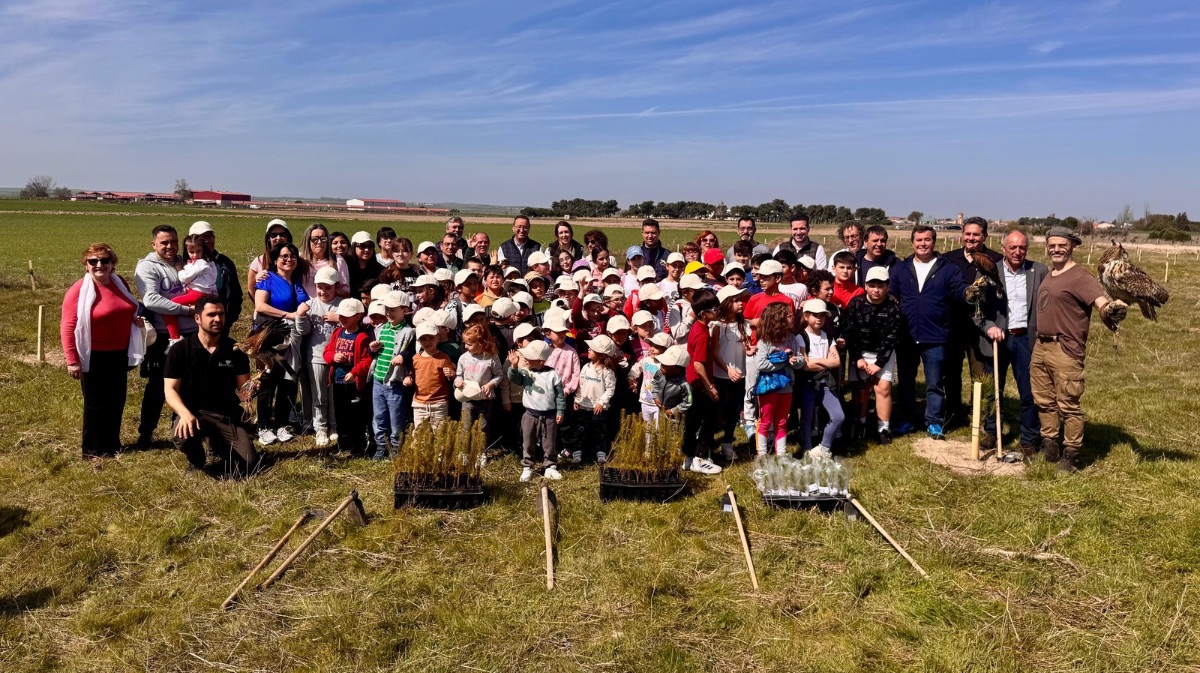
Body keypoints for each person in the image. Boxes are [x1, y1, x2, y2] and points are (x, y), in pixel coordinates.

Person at [1030, 227, 1126, 472]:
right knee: (1044, 402)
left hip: (1065, 348)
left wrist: (1111, 310)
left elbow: (1101, 304)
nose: (1056, 249)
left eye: (1062, 245)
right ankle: (1049, 446)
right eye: (1052, 245)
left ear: (1072, 246)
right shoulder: (1050, 274)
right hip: (1041, 346)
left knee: (1068, 404)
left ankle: (1072, 454)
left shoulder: (1081, 277)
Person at [61, 242, 145, 459]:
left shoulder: (119, 283)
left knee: (116, 401)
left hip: (119, 354)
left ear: (112, 263)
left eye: (104, 260)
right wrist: (72, 360)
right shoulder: (79, 290)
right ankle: (92, 450)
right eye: (93, 261)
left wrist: (136, 321)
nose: (99, 265)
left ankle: (112, 445)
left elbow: (126, 308)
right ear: (86, 265)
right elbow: (68, 326)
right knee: (95, 405)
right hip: (93, 355)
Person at [163, 296, 258, 477]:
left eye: (221, 314)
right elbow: (170, 390)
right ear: (197, 318)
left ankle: (217, 443)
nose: (218, 319)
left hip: (225, 414)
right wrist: (184, 414)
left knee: (248, 462)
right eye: (211, 314)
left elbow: (244, 389)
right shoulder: (180, 350)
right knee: (183, 436)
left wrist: (257, 385)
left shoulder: (235, 349)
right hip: (193, 412)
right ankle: (196, 458)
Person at [891, 224, 969, 440]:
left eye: (927, 240)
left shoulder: (947, 268)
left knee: (935, 382)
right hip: (907, 335)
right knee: (906, 381)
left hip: (936, 335)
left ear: (934, 242)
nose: (923, 244)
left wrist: (969, 293)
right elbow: (891, 294)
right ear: (912, 242)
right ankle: (907, 419)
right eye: (918, 240)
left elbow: (959, 290)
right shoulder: (901, 267)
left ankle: (934, 422)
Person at [977, 229, 1048, 458]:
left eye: (1022, 247)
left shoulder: (1039, 271)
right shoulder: (989, 271)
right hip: (998, 338)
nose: (1018, 252)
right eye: (1013, 247)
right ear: (1003, 248)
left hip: (1025, 340)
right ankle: (992, 432)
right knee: (993, 390)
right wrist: (989, 327)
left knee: (1028, 391)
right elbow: (976, 309)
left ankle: (1029, 439)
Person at [135, 224, 197, 449]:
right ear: (154, 244)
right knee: (157, 386)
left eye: (173, 241)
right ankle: (146, 432)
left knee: (188, 384)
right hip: (164, 336)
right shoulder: (147, 267)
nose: (170, 246)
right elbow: (152, 300)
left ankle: (181, 428)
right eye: (164, 243)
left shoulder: (185, 263)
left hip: (191, 333)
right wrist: (188, 311)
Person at [944, 216, 1006, 423]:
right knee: (951, 372)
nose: (971, 238)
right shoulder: (949, 258)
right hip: (953, 324)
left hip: (981, 325)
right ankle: (953, 411)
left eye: (976, 234)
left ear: (985, 236)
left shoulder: (996, 259)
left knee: (980, 373)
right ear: (962, 235)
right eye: (967, 234)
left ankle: (980, 415)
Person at [252, 241, 309, 444]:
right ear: (275, 260)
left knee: (289, 379)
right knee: (268, 379)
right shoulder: (267, 279)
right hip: (270, 337)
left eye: (292, 256)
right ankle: (264, 425)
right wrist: (290, 315)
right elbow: (261, 306)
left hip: (292, 339)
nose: (288, 259)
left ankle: (283, 423)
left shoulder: (297, 282)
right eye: (284, 256)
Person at [843, 267, 902, 444]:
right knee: (860, 389)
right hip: (860, 353)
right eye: (872, 285)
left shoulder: (893, 309)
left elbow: (891, 338)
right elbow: (850, 333)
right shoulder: (855, 304)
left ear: (887, 287)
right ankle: (859, 423)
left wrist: (879, 363)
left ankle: (883, 428)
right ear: (866, 286)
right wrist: (857, 358)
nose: (876, 290)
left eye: (881, 286)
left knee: (882, 388)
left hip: (883, 354)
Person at [295, 266, 343, 448]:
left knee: (334, 394)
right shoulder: (311, 304)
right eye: (320, 287)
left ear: (336, 287)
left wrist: (338, 318)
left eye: (328, 288)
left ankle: (334, 426)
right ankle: (320, 427)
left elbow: (353, 324)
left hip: (338, 358)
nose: (323, 291)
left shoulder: (342, 304)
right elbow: (304, 331)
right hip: (316, 356)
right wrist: (300, 315)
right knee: (319, 394)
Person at [508, 340, 565, 482]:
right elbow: (514, 379)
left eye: (528, 357)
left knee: (549, 442)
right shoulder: (525, 372)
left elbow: (560, 396)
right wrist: (514, 366)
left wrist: (560, 412)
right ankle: (528, 466)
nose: (525, 359)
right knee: (528, 441)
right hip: (529, 415)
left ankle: (550, 466)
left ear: (540, 361)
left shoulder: (553, 375)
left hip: (549, 415)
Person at [323, 299, 374, 455]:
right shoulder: (337, 332)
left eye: (347, 316)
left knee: (356, 415)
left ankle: (358, 446)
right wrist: (333, 357)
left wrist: (354, 372)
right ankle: (343, 444)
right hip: (338, 381)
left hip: (354, 383)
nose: (342, 318)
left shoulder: (362, 337)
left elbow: (367, 360)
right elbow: (326, 352)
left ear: (358, 317)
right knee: (340, 414)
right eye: (341, 315)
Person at [368, 291, 414, 460]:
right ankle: (381, 445)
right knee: (379, 415)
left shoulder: (409, 332)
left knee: (396, 416)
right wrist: (372, 349)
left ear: (404, 310)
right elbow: (372, 353)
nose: (388, 313)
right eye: (387, 309)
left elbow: (412, 352)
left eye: (393, 309)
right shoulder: (381, 329)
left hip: (395, 382)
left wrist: (404, 356)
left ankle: (395, 446)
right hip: (378, 380)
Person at [796, 299, 844, 459]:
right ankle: (808, 450)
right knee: (807, 417)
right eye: (815, 315)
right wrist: (826, 362)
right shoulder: (801, 337)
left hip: (825, 383)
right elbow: (805, 366)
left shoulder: (828, 337)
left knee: (838, 416)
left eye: (823, 316)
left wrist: (816, 361)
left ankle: (824, 448)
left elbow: (836, 362)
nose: (819, 319)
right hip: (808, 383)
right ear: (806, 316)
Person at [753, 302, 802, 457]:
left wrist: (796, 361)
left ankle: (781, 454)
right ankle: (761, 455)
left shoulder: (792, 339)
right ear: (778, 320)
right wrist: (784, 361)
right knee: (765, 421)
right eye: (788, 316)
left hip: (786, 386)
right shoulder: (765, 341)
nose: (792, 318)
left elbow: (800, 360)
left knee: (781, 421)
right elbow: (761, 364)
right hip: (768, 386)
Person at [681, 289, 722, 474]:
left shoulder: (699, 328)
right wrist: (710, 387)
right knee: (709, 421)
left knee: (692, 421)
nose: (718, 310)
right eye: (715, 308)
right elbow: (698, 364)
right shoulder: (702, 334)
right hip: (699, 385)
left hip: (694, 383)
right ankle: (700, 457)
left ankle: (688, 457)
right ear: (703, 313)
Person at [710, 285, 750, 462]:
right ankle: (709, 444)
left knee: (734, 410)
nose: (740, 303)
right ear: (726, 303)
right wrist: (728, 369)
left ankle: (727, 443)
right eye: (735, 300)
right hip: (722, 375)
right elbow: (714, 352)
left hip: (740, 375)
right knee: (717, 412)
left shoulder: (744, 324)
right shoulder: (717, 326)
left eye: (740, 299)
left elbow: (747, 345)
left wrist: (750, 349)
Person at [188, 221, 243, 333]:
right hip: (191, 328)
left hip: (221, 327)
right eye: (203, 237)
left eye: (210, 236)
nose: (208, 240)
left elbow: (236, 295)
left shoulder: (225, 263)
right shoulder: (185, 264)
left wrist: (228, 320)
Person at [163, 233, 217, 344]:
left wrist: (179, 269)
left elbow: (184, 278)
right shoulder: (205, 262)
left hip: (198, 293)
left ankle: (175, 337)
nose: (195, 255)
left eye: (198, 251)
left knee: (168, 308)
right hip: (199, 292)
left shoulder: (201, 263)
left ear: (203, 249)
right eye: (191, 252)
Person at [454, 323, 503, 447]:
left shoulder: (491, 357)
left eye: (469, 344)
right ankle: (464, 451)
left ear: (481, 342)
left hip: (485, 398)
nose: (466, 346)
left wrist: (490, 384)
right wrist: (457, 381)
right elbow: (458, 375)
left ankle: (480, 452)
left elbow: (499, 375)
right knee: (465, 426)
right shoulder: (463, 358)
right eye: (465, 343)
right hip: (467, 398)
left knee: (483, 427)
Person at [575, 335, 619, 464]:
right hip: (584, 405)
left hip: (599, 408)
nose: (588, 349)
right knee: (580, 430)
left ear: (601, 355)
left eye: (592, 348)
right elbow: (580, 385)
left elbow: (610, 389)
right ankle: (577, 452)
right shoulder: (585, 367)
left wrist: (601, 402)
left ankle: (601, 453)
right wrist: (577, 400)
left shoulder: (607, 372)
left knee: (599, 431)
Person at [411, 322, 456, 429]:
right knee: (419, 435)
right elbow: (412, 374)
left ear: (438, 338)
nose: (427, 342)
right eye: (423, 339)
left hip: (439, 403)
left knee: (440, 435)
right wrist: (408, 378)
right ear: (418, 340)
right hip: (419, 404)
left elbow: (451, 377)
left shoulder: (444, 358)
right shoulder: (415, 358)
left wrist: (451, 374)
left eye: (431, 338)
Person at [246, 219, 291, 307]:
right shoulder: (259, 261)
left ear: (287, 237)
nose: (278, 238)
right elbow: (251, 290)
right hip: (267, 314)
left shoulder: (295, 259)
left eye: (282, 235)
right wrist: (262, 306)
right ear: (268, 239)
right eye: (273, 235)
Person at [298, 223, 350, 299]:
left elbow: (346, 291)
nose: (319, 242)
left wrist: (330, 288)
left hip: (330, 308)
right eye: (314, 239)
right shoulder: (300, 260)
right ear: (308, 241)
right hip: (305, 306)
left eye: (323, 239)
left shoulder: (337, 260)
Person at [347, 231, 385, 296]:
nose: (367, 250)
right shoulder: (346, 267)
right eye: (362, 246)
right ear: (353, 247)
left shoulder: (380, 270)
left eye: (370, 246)